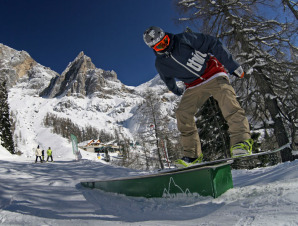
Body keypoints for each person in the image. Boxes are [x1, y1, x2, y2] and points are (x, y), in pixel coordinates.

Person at [143, 26, 253, 167]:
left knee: (227, 98)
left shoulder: (183, 39)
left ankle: (241, 141)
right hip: (193, 86)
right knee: (182, 113)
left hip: (213, 73)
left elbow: (212, 43)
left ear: (166, 36)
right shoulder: (161, 64)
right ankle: (192, 155)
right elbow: (168, 81)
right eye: (159, 47)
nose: (164, 47)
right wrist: (177, 90)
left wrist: (232, 65)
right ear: (153, 48)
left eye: (164, 42)